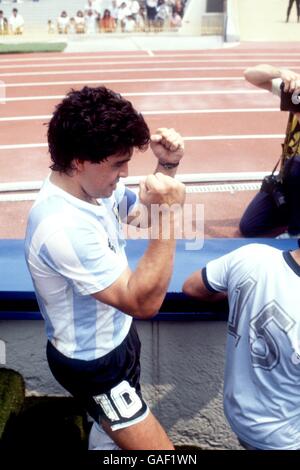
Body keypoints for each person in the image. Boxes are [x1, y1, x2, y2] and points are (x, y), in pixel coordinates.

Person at [25, 86, 185, 450]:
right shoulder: (61, 225)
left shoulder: (95, 189)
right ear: (80, 160)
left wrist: (167, 167)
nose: (126, 172)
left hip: (117, 337)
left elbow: (143, 216)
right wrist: (171, 214)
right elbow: (142, 303)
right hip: (93, 364)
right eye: (117, 164)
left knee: (110, 437)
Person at [182, 240, 300, 450]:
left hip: (240, 418)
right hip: (285, 439)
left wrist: (237, 294)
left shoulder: (252, 255)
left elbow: (192, 287)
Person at [239, 64, 300, 239]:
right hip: (289, 180)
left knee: (296, 165)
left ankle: (296, 231)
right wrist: (281, 73)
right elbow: (250, 74)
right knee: (249, 226)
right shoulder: (295, 92)